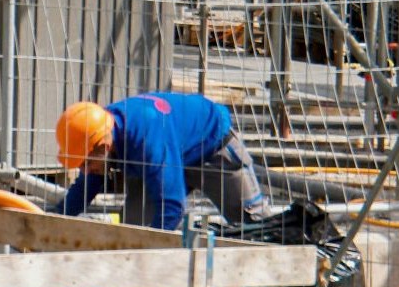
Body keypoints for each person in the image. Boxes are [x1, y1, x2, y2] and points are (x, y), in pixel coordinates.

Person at [55, 93, 264, 235]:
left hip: (213, 147)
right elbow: (85, 188)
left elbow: (172, 205)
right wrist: (50, 222)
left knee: (253, 229)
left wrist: (151, 253)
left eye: (87, 164)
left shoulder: (146, 141)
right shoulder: (98, 130)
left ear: (105, 146)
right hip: (169, 152)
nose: (84, 171)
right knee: (134, 233)